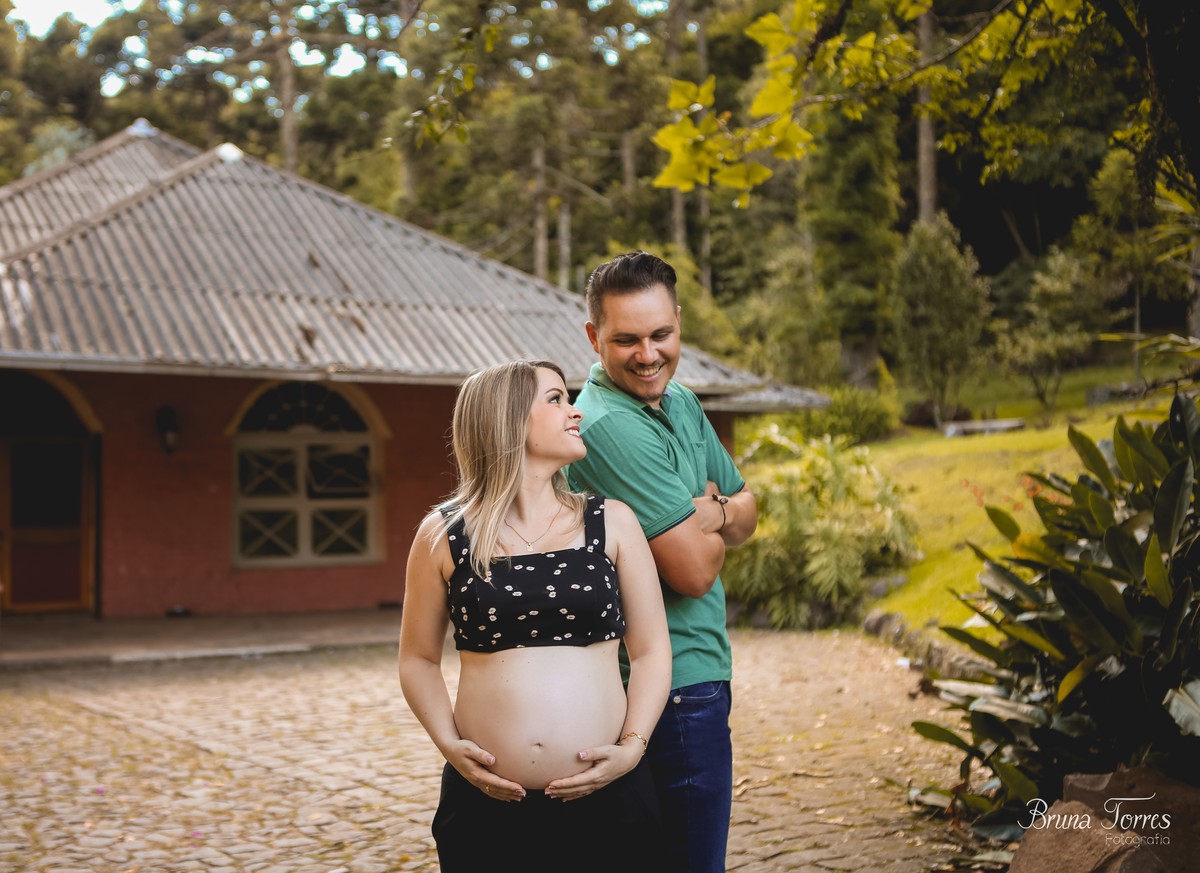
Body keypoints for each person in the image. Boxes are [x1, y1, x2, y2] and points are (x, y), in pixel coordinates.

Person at [398, 359, 672, 873]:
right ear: (508, 419)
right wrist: (449, 745)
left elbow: (652, 651)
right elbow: (417, 659)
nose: (576, 412)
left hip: (610, 801)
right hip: (487, 810)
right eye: (556, 399)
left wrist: (633, 748)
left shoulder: (612, 522)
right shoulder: (443, 535)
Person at [566, 251, 758, 873]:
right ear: (594, 336)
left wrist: (712, 512)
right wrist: (716, 513)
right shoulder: (608, 427)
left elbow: (748, 511)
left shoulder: (680, 400)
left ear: (678, 322)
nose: (648, 355)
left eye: (661, 334)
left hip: (699, 673)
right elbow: (694, 573)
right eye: (626, 340)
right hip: (667, 689)